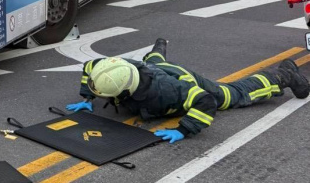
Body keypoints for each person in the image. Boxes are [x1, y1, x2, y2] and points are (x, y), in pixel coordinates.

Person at [67, 39, 310, 144]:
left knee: (231, 95)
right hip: (153, 69)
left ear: (123, 91)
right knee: (155, 61)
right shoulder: (114, 67)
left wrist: (185, 129)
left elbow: (205, 101)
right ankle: (159, 45)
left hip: (185, 80)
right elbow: (90, 67)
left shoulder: (166, 91)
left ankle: (284, 75)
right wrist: (87, 97)